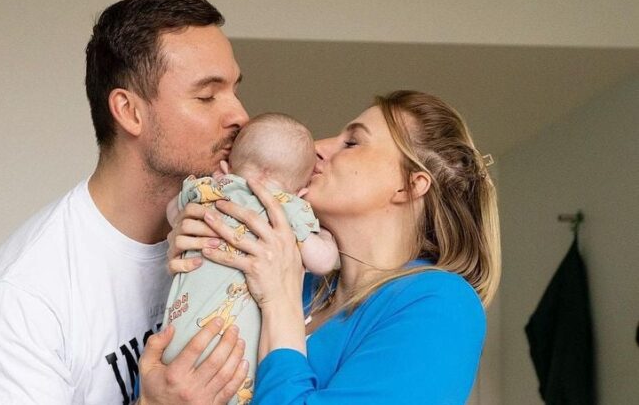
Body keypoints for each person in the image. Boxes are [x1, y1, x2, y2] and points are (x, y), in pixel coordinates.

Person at [0, 0, 251, 404]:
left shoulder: (234, 237)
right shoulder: (18, 298)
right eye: (207, 96)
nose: (240, 115)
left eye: (235, 90)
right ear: (129, 111)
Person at [151, 90, 501, 403]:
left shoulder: (441, 304)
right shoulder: (299, 280)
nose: (317, 146)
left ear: (408, 186)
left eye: (352, 143)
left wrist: (278, 301)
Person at [161, 113, 340, 404]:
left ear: (225, 167)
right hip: (233, 365)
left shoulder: (209, 189)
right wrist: (326, 237)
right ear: (301, 192)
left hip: (173, 344)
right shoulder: (288, 207)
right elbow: (323, 261)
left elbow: (173, 214)